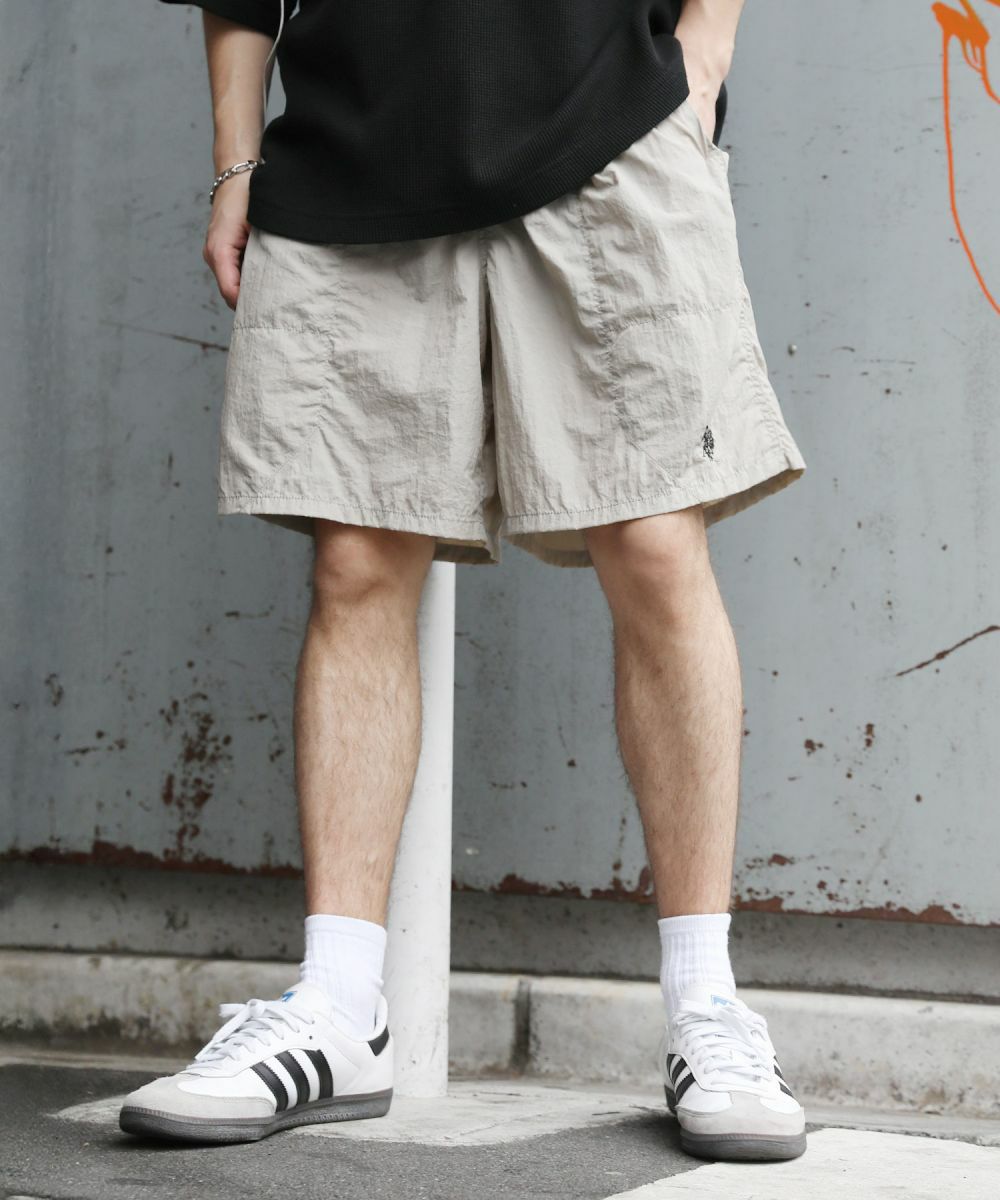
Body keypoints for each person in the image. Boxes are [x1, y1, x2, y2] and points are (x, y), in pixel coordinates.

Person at [121, 0, 808, 1162]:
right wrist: (235, 158)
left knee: (653, 543)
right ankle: (339, 1007)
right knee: (356, 561)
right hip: (351, 142)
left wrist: (706, 46)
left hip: (612, 125)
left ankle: (707, 1003)